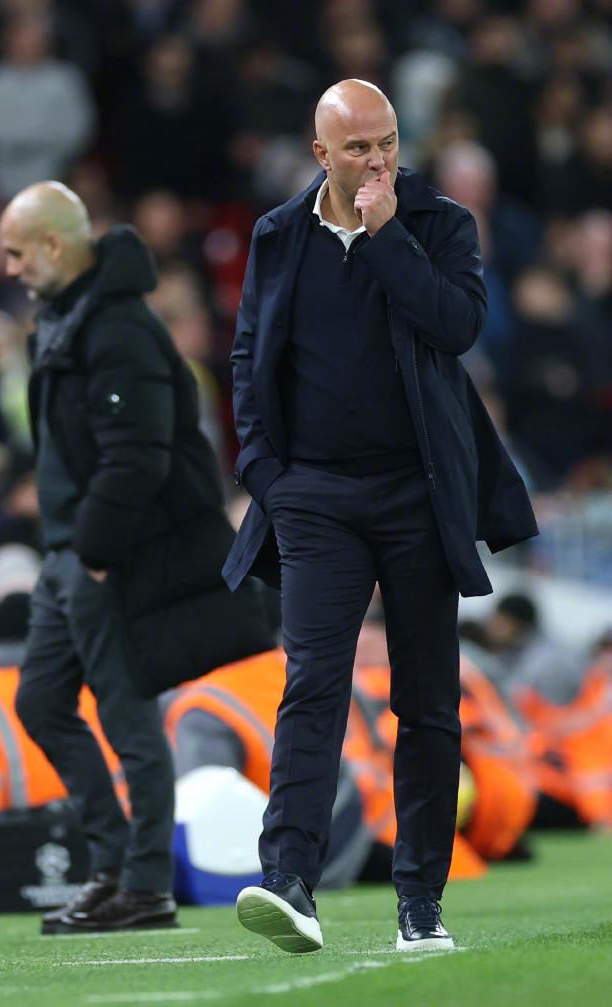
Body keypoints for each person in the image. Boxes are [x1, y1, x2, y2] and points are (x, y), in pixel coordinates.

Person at [223, 79, 538, 954]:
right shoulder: (279, 233)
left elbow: (458, 325)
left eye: (388, 142)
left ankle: (420, 902)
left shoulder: (439, 223)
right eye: (358, 147)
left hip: (418, 492)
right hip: (314, 496)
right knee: (311, 683)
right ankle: (290, 879)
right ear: (320, 153)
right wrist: (264, 473)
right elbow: (248, 354)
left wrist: (387, 235)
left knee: (427, 699)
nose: (378, 160)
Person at [0, 182, 272, 935]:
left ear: (54, 244)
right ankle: (114, 865)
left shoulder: (118, 327)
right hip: (70, 552)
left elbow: (138, 456)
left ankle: (142, 884)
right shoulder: (65, 320)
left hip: (109, 556)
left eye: (18, 252)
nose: (11, 268)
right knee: (41, 702)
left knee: (129, 719)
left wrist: (93, 549)